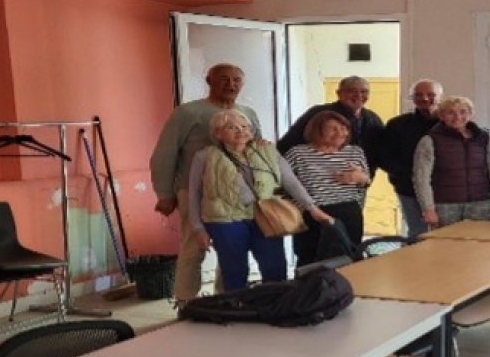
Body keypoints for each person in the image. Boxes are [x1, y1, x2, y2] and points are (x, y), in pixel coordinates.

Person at [150, 63, 261, 304]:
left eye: (236, 80)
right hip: (194, 191)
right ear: (209, 81)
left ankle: (226, 298)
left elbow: (255, 151)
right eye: (224, 79)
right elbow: (165, 154)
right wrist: (164, 193)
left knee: (233, 247)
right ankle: (186, 302)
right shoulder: (187, 113)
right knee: (194, 247)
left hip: (237, 193)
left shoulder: (248, 113)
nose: (230, 85)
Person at [187, 110, 333, 291]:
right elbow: (194, 194)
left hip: (265, 215)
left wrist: (312, 208)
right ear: (217, 133)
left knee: (275, 268)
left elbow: (290, 181)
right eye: (232, 127)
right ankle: (237, 305)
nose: (240, 131)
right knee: (234, 271)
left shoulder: (267, 150)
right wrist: (198, 228)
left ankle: (274, 303)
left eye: (244, 127)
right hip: (225, 220)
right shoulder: (204, 156)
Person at [284, 110, 371, 267]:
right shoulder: (298, 153)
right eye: (333, 129)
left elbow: (366, 182)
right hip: (313, 213)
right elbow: (284, 184)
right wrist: (304, 207)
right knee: (310, 260)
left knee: (349, 258)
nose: (340, 133)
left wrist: (360, 178)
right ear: (317, 130)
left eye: (344, 128)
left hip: (349, 212)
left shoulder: (355, 152)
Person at [412, 95, 490, 228]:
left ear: (470, 114)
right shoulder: (429, 140)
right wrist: (428, 208)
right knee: (446, 241)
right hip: (445, 206)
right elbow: (421, 178)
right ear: (441, 116)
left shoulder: (483, 138)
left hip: (481, 203)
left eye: (463, 112)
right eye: (451, 112)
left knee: (479, 241)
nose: (457, 117)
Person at [278, 75, 385, 174]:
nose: (358, 95)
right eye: (352, 91)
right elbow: (288, 143)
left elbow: (381, 151)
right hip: (316, 178)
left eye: (364, 91)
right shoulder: (319, 113)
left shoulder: (373, 119)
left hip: (357, 180)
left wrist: (366, 175)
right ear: (339, 93)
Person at [381, 79, 441, 236]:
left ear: (440, 97)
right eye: (419, 95)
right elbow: (385, 158)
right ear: (412, 98)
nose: (425, 99)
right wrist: (412, 176)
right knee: (418, 234)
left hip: (445, 190)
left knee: (446, 234)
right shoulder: (397, 124)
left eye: (431, 94)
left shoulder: (450, 124)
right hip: (408, 190)